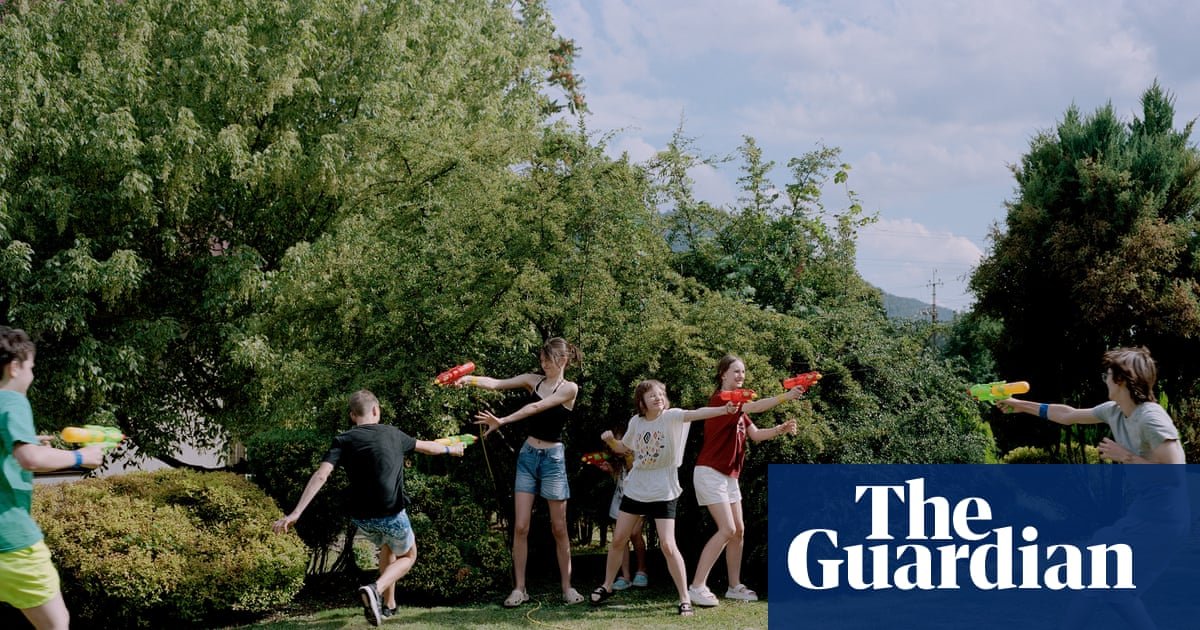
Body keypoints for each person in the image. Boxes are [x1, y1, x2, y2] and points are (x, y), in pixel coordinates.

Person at [999, 346, 1186, 630]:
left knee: (1097, 576)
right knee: (1119, 593)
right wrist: (1019, 405)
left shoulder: (1151, 417)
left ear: (1122, 380)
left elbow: (1174, 475)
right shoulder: (1115, 411)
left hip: (1163, 519)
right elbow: (1069, 415)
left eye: (1107, 375)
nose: (1105, 380)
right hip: (1146, 513)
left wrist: (1126, 457)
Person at [271, 389, 465, 627]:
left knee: (387, 546)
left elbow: (321, 475)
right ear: (376, 410)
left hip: (362, 519)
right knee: (409, 555)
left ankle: (388, 605)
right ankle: (376, 589)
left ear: (353, 416)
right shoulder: (392, 434)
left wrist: (296, 513)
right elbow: (428, 447)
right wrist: (451, 449)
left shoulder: (343, 439)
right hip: (390, 512)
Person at [455, 337, 585, 607]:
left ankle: (567, 588)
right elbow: (497, 383)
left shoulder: (570, 388)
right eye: (541, 359)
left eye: (547, 360)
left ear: (562, 360)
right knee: (521, 526)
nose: (542, 364)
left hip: (553, 460)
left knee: (559, 528)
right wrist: (468, 380)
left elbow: (536, 407)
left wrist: (502, 420)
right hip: (528, 456)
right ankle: (519, 589)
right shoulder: (532, 380)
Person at [590, 380, 736, 617]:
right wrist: (609, 441)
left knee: (668, 545)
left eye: (660, 394)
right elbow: (623, 448)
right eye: (651, 395)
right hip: (637, 487)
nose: (658, 398)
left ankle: (684, 598)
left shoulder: (672, 417)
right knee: (618, 539)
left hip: (664, 489)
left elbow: (698, 413)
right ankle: (607, 585)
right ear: (641, 402)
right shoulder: (636, 422)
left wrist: (723, 409)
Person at [1, 327, 105, 630]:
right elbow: (30, 459)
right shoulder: (13, 400)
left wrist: (20, 441)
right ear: (15, 366)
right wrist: (80, 458)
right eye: (31, 367)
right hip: (12, 541)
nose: (32, 375)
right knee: (56, 624)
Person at [688, 355, 800, 607]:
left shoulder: (738, 407)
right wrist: (786, 396)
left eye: (743, 372)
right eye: (735, 371)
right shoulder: (721, 401)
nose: (740, 376)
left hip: (729, 476)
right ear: (723, 375)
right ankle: (696, 586)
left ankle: (734, 586)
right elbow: (757, 406)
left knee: (738, 531)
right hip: (710, 472)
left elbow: (756, 435)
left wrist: (780, 429)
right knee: (727, 530)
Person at [594, 423, 648, 591]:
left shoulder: (636, 454)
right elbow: (622, 479)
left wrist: (628, 456)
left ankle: (642, 570)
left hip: (638, 500)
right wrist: (611, 470)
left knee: (635, 534)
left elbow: (634, 472)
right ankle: (625, 576)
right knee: (620, 537)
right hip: (620, 502)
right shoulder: (618, 461)